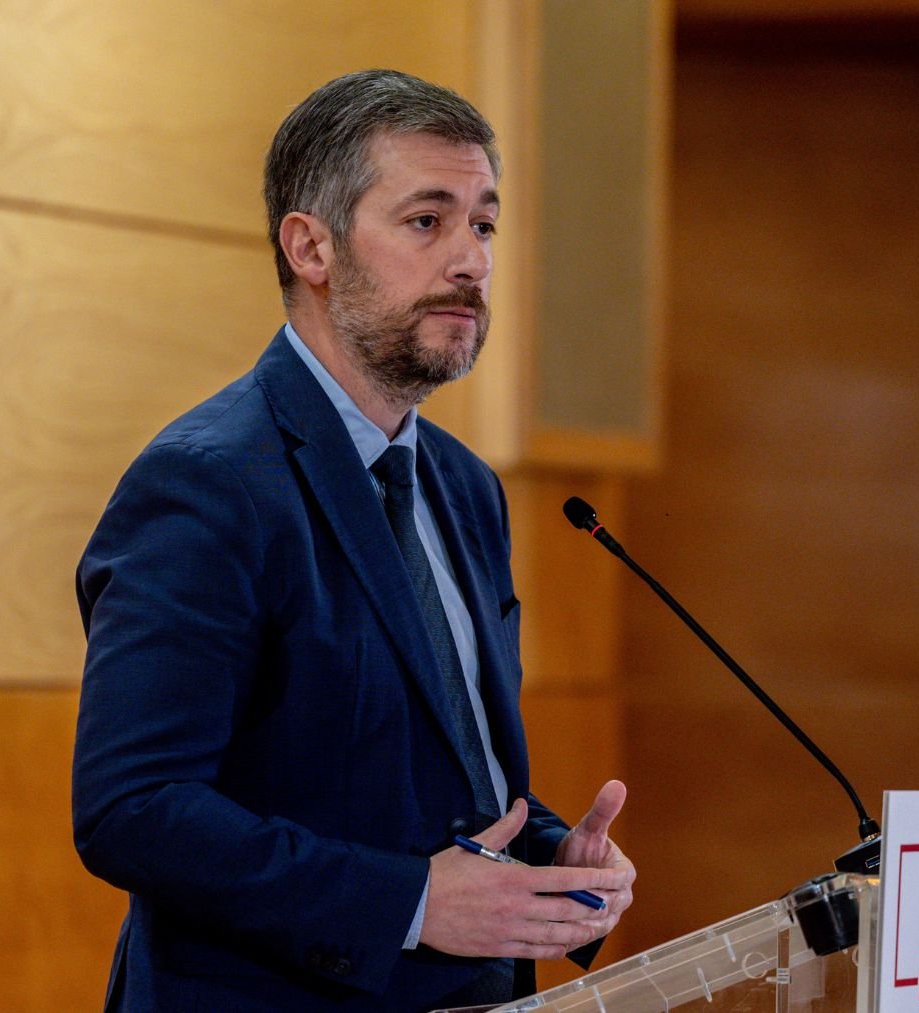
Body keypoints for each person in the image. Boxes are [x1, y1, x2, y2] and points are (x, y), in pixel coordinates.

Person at [71, 69, 635, 1011]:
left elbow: (442, 774)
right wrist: (408, 903)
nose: (472, 261)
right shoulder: (209, 483)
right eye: (427, 221)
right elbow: (132, 809)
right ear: (312, 247)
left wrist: (546, 864)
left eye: (484, 225)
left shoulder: (464, 486)